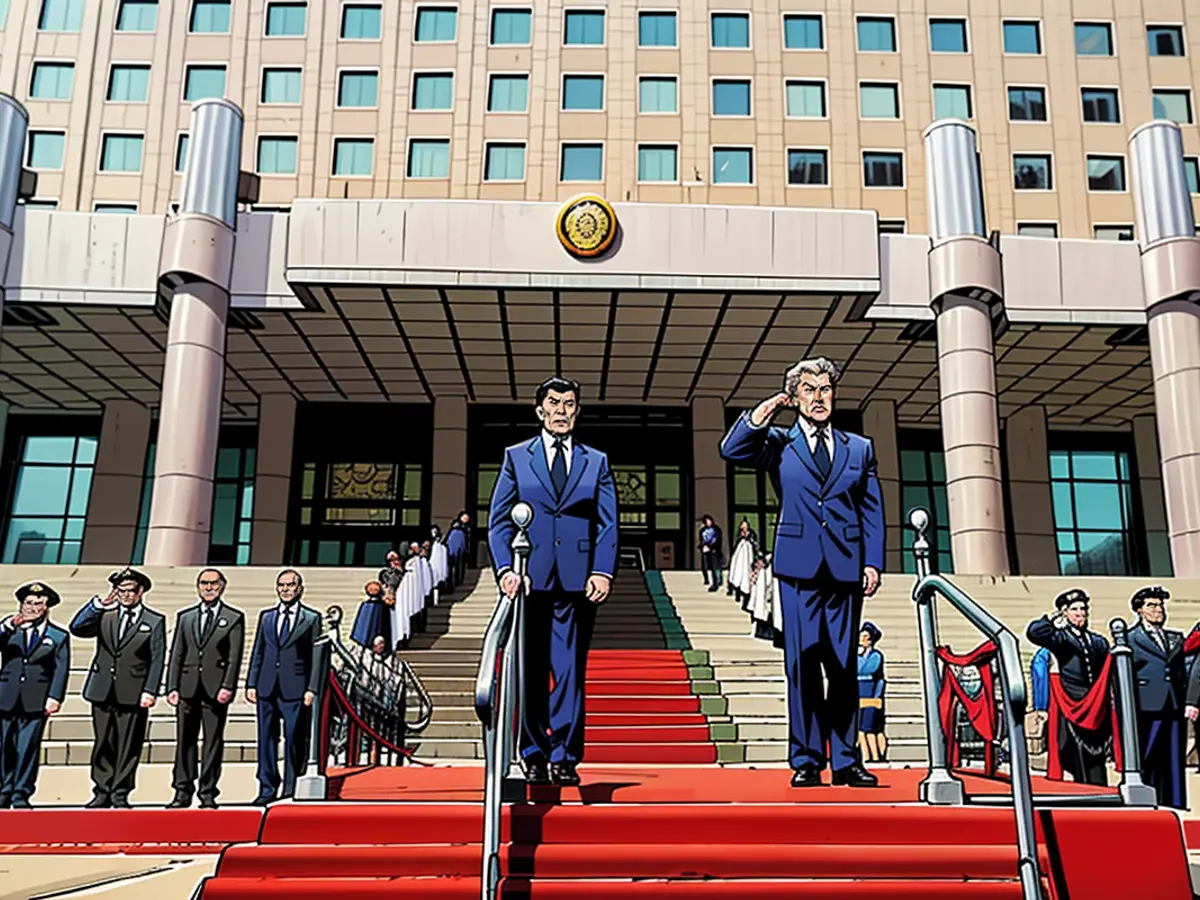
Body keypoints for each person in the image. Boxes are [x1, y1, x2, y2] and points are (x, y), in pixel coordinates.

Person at [720, 356, 884, 788]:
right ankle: (807, 759)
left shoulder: (858, 447)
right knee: (803, 664)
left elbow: (872, 510)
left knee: (843, 666)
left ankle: (847, 761)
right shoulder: (779, 442)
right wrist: (769, 408)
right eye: (809, 390)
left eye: (825, 389)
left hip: (845, 569)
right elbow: (731, 449)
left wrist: (873, 561)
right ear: (796, 397)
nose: (819, 398)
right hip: (797, 570)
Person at [488, 375, 618, 786]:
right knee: (529, 670)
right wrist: (506, 570)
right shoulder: (516, 457)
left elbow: (608, 524)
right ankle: (533, 752)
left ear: (577, 411)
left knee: (569, 671)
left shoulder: (595, 461)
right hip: (528, 581)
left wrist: (602, 569)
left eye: (569, 404)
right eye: (554, 403)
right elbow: (497, 524)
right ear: (539, 409)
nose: (561, 411)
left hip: (577, 582)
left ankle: (564, 754)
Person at [69, 568, 167, 808]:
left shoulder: (154, 620)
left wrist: (150, 690)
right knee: (103, 741)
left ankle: (121, 791)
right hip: (102, 688)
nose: (124, 595)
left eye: (129, 591)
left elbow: (157, 657)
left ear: (140, 591)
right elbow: (77, 628)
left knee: (129, 744)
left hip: (133, 691)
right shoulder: (105, 615)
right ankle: (101, 790)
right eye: (120, 590)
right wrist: (99, 604)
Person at [164, 568, 245, 809]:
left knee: (212, 741)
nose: (208, 587)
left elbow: (234, 656)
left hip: (215, 689)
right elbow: (177, 652)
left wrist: (228, 685)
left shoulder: (233, 617)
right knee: (184, 740)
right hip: (187, 687)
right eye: (203, 583)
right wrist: (172, 686)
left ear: (222, 586)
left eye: (213, 583)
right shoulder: (186, 617)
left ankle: (208, 792)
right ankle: (182, 791)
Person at [245, 569, 323, 806]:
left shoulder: (311, 618)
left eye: (291, 585)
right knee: (266, 740)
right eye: (282, 585)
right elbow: (259, 650)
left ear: (300, 588)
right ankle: (267, 787)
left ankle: (291, 787)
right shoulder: (267, 617)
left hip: (296, 689)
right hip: (267, 686)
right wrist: (251, 682)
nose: (286, 589)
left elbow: (316, 657)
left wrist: (312, 688)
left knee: (294, 740)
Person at [1026, 588, 1113, 786]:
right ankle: (1082, 786)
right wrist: (1052, 618)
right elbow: (1035, 632)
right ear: (1065, 613)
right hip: (1071, 702)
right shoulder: (1061, 639)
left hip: (1094, 703)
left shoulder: (1098, 641)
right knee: (1074, 752)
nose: (1081, 613)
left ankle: (1098, 787)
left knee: (1095, 753)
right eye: (1075, 610)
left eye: (1083, 609)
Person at [0, 582, 69, 809]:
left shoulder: (57, 636)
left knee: (27, 748)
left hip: (36, 699)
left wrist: (55, 697)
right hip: (7, 697)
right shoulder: (9, 630)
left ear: (47, 607)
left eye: (38, 603)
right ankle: (3, 789)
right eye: (28, 603)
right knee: (4, 746)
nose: (32, 607)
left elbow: (61, 668)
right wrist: (9, 624)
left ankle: (21, 793)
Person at [1129, 586, 1187, 808]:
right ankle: (1148, 799)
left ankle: (1175, 801)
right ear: (1140, 610)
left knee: (1173, 757)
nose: (1158, 609)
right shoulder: (1131, 638)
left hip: (1172, 703)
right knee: (1149, 755)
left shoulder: (1174, 637)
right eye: (1151, 605)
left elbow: (1181, 671)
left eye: (1160, 604)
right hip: (1147, 705)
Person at [857, 622, 887, 763]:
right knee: (860, 728)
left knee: (869, 728)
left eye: (865, 637)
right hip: (858, 690)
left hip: (870, 690)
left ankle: (875, 756)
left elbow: (869, 669)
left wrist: (877, 696)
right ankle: (866, 755)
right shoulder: (857, 655)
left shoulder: (875, 656)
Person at [350, 580, 391, 650]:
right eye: (371, 589)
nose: (373, 591)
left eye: (375, 589)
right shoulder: (365, 604)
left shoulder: (382, 606)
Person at [727, 519, 757, 607]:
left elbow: (754, 542)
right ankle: (737, 593)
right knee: (737, 573)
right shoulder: (739, 537)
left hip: (747, 556)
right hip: (740, 556)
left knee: (745, 575)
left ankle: (744, 595)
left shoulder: (751, 534)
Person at [698, 515, 724, 592]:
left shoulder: (716, 529)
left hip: (714, 551)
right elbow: (701, 540)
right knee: (704, 566)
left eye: (709, 521)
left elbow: (718, 540)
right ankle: (706, 579)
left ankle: (716, 583)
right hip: (706, 550)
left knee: (715, 567)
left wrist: (712, 546)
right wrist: (702, 546)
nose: (708, 523)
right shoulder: (703, 530)